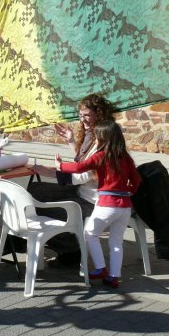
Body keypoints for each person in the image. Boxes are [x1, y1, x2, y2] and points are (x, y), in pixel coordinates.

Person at [0, 94, 118, 262]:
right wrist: (71, 141)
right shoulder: (92, 133)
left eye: (87, 115)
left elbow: (81, 176)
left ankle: (71, 250)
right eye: (81, 116)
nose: (83, 120)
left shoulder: (103, 138)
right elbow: (84, 162)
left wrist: (51, 172)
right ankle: (21, 240)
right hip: (83, 189)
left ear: (99, 114)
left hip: (93, 199)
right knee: (33, 191)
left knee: (37, 207)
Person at [56, 120, 141, 288]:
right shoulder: (126, 157)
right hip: (125, 207)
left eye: (96, 137)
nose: (95, 140)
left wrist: (61, 166)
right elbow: (137, 180)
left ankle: (101, 268)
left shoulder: (101, 156)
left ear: (102, 138)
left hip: (107, 205)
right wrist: (129, 190)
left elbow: (80, 167)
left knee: (90, 234)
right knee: (117, 242)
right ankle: (114, 277)